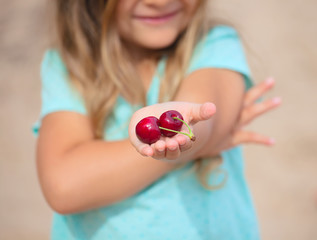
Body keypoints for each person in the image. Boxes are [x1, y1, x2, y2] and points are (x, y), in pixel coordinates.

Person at [33, 0, 281, 239]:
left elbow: (203, 118)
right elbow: (64, 187)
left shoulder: (213, 43)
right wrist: (193, 147)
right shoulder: (71, 66)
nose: (159, 1)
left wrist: (189, 133)